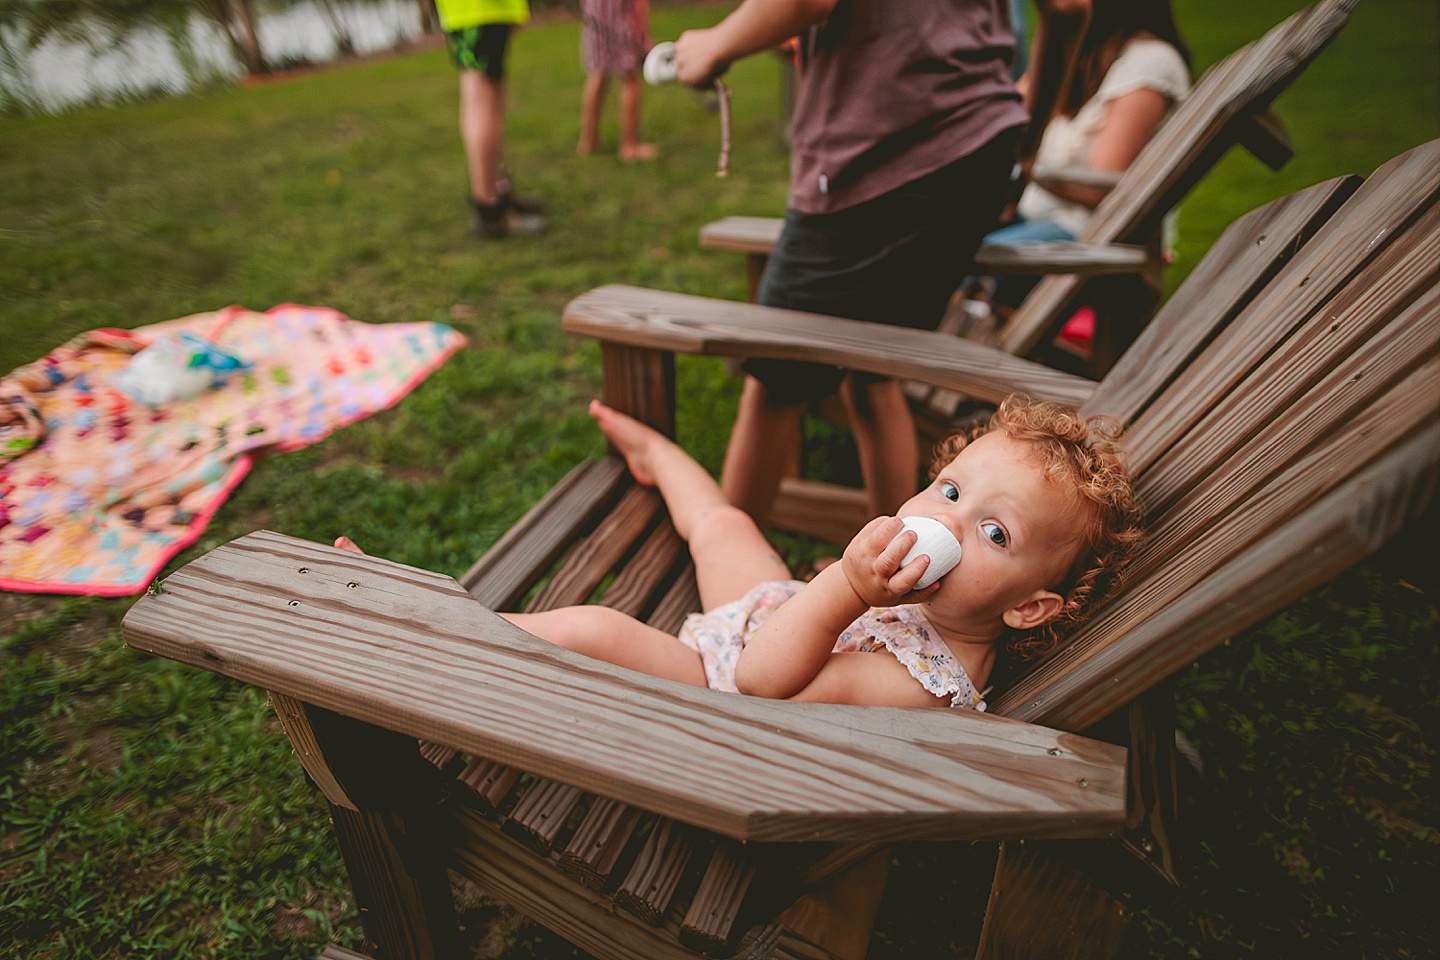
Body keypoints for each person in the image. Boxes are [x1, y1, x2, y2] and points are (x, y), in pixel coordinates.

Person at [336, 395, 1140, 709]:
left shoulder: (922, 691)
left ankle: (418, 632)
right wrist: (844, 591)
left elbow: (761, 682)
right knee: (722, 528)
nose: (952, 525)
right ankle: (658, 454)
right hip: (775, 620)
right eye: (952, 492)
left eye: (995, 534)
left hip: (724, 700)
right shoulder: (948, 609)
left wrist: (848, 590)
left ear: (1029, 605)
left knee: (593, 630)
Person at [671, 0, 1092, 531]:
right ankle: (894, 580)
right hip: (978, 148)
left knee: (776, 372)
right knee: (877, 367)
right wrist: (1022, 145)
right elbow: (1068, 8)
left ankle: (719, 587)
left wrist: (715, 43)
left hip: (879, 152)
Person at [978, 0, 1192, 314]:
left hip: (1091, 231)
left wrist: (1026, 170)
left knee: (961, 257)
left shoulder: (1151, 63)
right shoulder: (1083, 52)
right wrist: (1053, 34)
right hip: (1035, 212)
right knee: (934, 236)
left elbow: (1099, 187)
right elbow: (1006, 122)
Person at [434, 0, 548, 239]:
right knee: (482, 100)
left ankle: (497, 191)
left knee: (487, 97)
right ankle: (490, 210)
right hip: (480, 9)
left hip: (478, 11)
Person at [577, 0, 660, 160]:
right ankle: (630, 146)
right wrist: (644, 33)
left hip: (596, 17)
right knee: (630, 76)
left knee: (598, 71)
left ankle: (588, 140)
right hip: (621, 18)